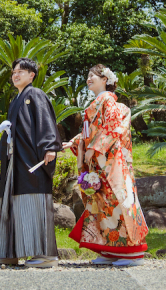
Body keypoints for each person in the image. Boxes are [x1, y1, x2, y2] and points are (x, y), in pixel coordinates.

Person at [65, 64, 149, 266]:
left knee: (118, 203)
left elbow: (112, 127)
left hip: (111, 164)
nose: (88, 79)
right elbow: (90, 132)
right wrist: (75, 142)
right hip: (100, 162)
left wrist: (94, 148)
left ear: (105, 79)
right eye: (87, 75)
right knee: (102, 206)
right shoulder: (97, 103)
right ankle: (110, 249)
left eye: (92, 75)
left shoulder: (109, 101)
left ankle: (131, 252)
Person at [0, 57, 62, 268]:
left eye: (20, 71)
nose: (15, 75)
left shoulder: (35, 94)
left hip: (31, 159)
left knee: (33, 201)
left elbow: (46, 121)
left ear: (32, 75)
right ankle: (9, 252)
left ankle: (44, 254)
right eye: (13, 72)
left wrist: (50, 147)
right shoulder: (16, 100)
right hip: (15, 159)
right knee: (11, 203)